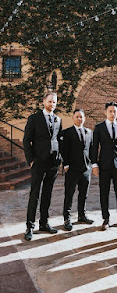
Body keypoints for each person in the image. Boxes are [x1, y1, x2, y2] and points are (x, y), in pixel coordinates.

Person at [23, 92, 62, 241]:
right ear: (44, 101)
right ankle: (30, 226)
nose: (52, 104)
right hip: (38, 162)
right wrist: (31, 160)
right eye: (50, 101)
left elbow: (59, 139)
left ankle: (44, 223)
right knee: (35, 194)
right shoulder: (34, 119)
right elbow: (26, 140)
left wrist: (60, 157)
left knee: (47, 193)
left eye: (54, 102)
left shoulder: (58, 119)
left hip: (53, 163)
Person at [91, 101, 117, 230]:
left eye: (115, 111)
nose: (113, 113)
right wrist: (94, 164)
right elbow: (94, 147)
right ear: (105, 112)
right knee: (104, 192)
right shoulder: (99, 127)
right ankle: (105, 219)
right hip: (104, 165)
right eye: (110, 111)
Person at [62, 109, 94, 231]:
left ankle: (82, 215)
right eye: (77, 117)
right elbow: (64, 149)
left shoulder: (89, 132)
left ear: (84, 118)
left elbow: (91, 150)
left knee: (83, 194)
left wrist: (91, 165)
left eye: (81, 117)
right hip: (72, 169)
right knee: (69, 194)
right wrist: (65, 164)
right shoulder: (67, 132)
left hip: (86, 169)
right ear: (73, 118)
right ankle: (67, 218)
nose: (79, 119)